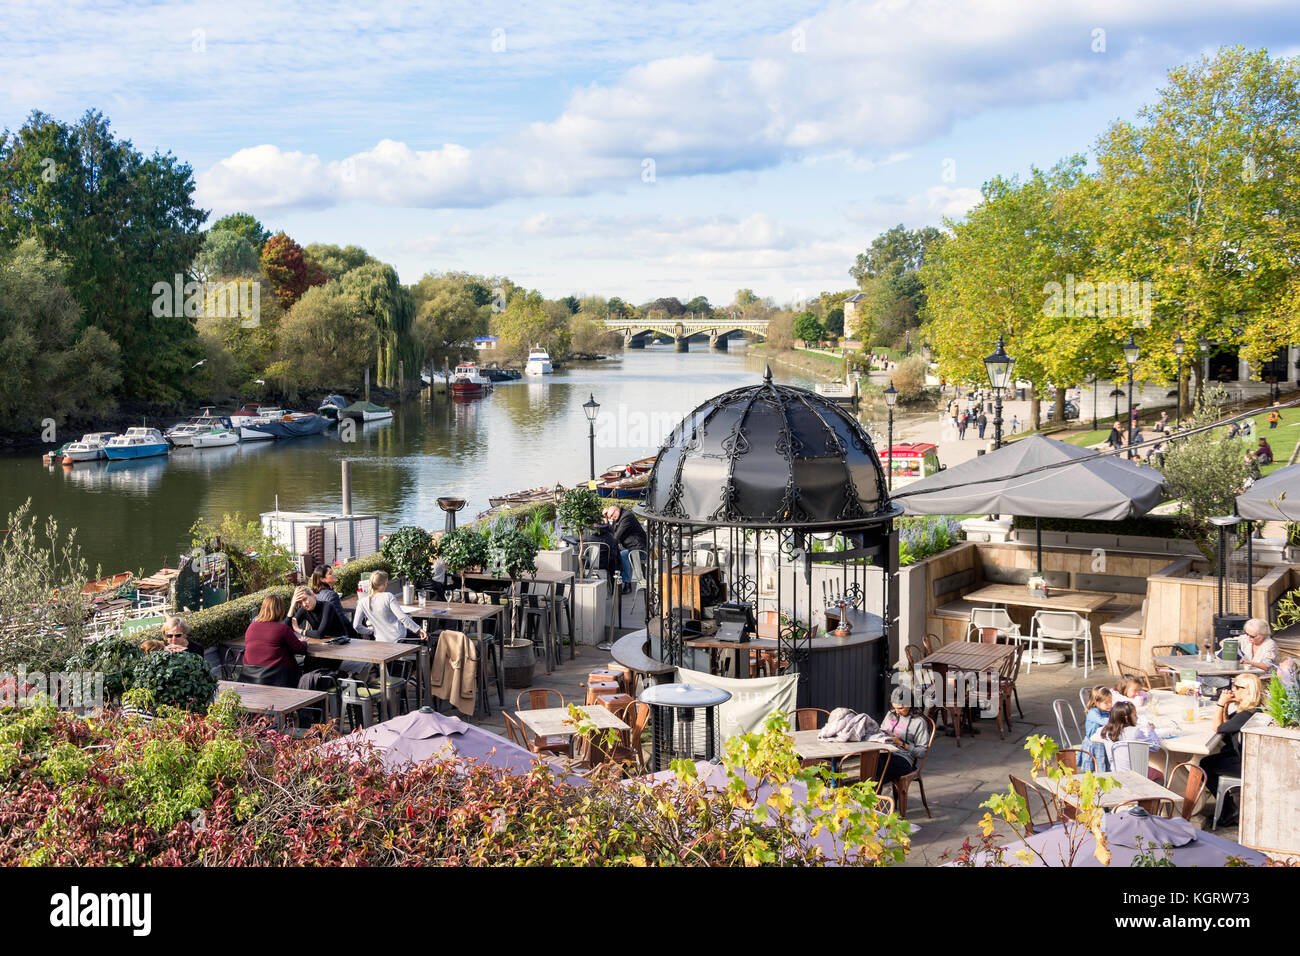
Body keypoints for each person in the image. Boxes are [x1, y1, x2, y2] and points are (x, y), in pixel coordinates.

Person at [1199, 674, 1265, 822]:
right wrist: (1227, 706)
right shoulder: (1251, 709)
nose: (1232, 690)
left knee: (1204, 765)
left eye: (1236, 687)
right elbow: (1227, 728)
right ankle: (1227, 807)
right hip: (1246, 756)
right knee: (1213, 757)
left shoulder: (1247, 714)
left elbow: (1218, 728)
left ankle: (1228, 811)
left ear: (1247, 691)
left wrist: (1221, 704)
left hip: (1246, 764)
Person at [243, 593, 306, 687]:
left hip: (249, 676)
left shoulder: (251, 627)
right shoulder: (282, 629)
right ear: (280, 610)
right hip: (277, 678)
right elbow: (300, 649)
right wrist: (304, 642)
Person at [869, 701, 930, 786]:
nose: (897, 712)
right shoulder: (891, 714)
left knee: (875, 771)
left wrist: (901, 743)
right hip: (885, 753)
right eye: (894, 708)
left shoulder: (919, 722)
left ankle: (873, 795)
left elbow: (921, 753)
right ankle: (873, 795)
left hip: (903, 759)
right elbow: (881, 730)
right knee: (870, 763)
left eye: (900, 708)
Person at [1098, 701, 1163, 782]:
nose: (1137, 718)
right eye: (1135, 715)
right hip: (1136, 774)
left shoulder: (1106, 732)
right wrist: (1151, 730)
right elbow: (1155, 747)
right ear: (1126, 718)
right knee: (1160, 775)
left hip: (1117, 773)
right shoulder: (1135, 732)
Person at [352, 570, 421, 642]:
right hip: (399, 637)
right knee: (422, 639)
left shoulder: (362, 602)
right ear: (384, 584)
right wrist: (418, 629)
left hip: (380, 640)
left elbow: (356, 626)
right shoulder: (388, 596)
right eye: (386, 583)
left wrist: (370, 631)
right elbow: (402, 617)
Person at [603, 504, 647, 593]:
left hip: (639, 548)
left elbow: (616, 536)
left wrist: (608, 545)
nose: (612, 518)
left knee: (622, 555)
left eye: (612, 516)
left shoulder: (626, 517)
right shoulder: (619, 517)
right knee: (619, 554)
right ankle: (623, 583)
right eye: (610, 517)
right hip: (631, 547)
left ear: (616, 510)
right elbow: (612, 531)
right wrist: (606, 519)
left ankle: (627, 584)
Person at [1082, 686, 1113, 771]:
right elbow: (1104, 721)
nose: (1110, 704)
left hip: (1103, 740)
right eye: (1106, 703)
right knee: (1096, 768)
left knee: (1106, 767)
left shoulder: (1107, 711)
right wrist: (1117, 719)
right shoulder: (1093, 712)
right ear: (1096, 703)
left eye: (1110, 701)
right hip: (1093, 743)